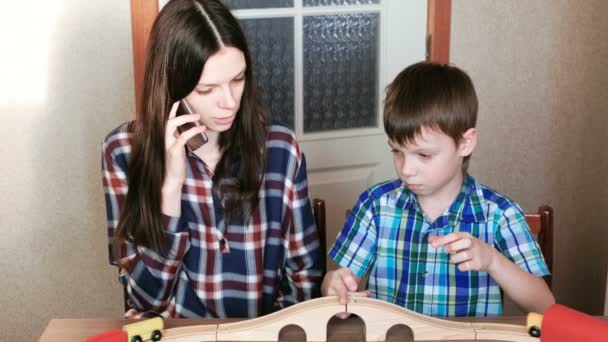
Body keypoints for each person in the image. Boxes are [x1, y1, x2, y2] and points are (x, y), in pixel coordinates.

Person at [102, 0, 322, 319]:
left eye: (238, 79)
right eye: (207, 90)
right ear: (172, 87)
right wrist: (170, 188)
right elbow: (144, 299)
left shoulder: (280, 147)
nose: (230, 102)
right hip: (175, 335)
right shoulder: (122, 150)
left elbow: (304, 282)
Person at [322, 62, 555, 316]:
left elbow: (545, 307)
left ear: (465, 143)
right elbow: (338, 283)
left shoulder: (499, 214)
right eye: (397, 151)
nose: (406, 169)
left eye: (424, 154)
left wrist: (492, 261)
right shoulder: (376, 205)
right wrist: (334, 287)